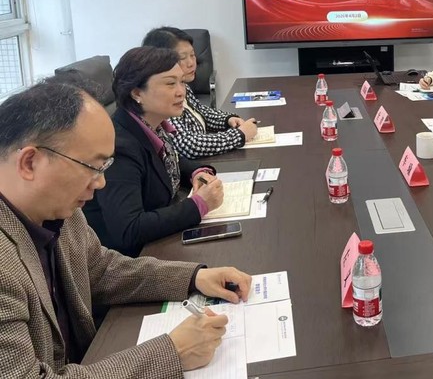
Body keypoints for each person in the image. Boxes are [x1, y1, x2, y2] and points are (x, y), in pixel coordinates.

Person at [0, 79, 252, 376]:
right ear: (30, 162)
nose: (101, 183)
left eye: (104, 167)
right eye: (92, 167)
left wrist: (194, 277)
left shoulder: (58, 210)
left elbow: (100, 270)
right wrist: (173, 352)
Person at [83, 46, 224, 257]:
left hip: (161, 241)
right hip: (134, 259)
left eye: (182, 82)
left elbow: (168, 159)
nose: (181, 92)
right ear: (137, 92)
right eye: (170, 83)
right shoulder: (119, 147)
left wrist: (197, 172)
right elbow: (130, 229)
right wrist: (198, 206)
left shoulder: (150, 125)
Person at [142, 27, 258, 159]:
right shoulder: (161, 100)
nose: (191, 63)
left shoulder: (183, 86)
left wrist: (227, 120)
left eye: (192, 55)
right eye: (182, 58)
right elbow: (188, 145)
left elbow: (201, 112)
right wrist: (238, 136)